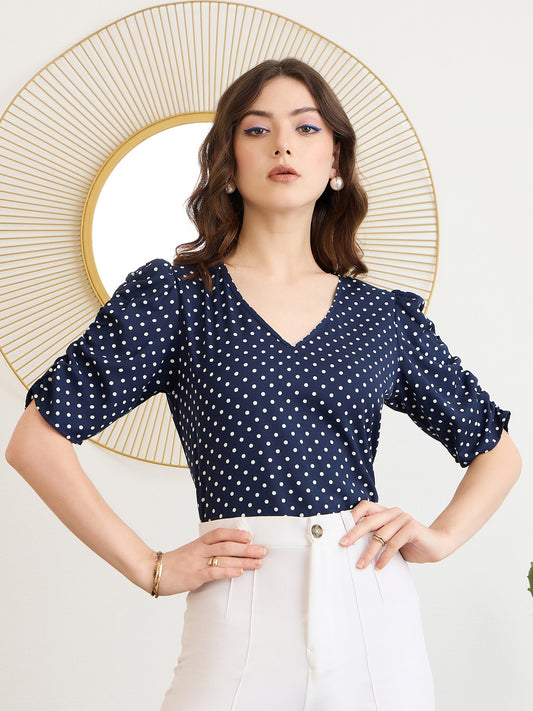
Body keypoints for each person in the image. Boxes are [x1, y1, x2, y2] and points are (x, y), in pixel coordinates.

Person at [5, 58, 521, 711]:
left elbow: (497, 451)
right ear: (228, 163)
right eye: (256, 129)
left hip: (371, 617)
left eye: (305, 128)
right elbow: (35, 442)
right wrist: (149, 565)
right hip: (239, 613)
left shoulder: (382, 317)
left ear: (335, 159)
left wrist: (439, 538)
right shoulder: (175, 299)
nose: (282, 145)